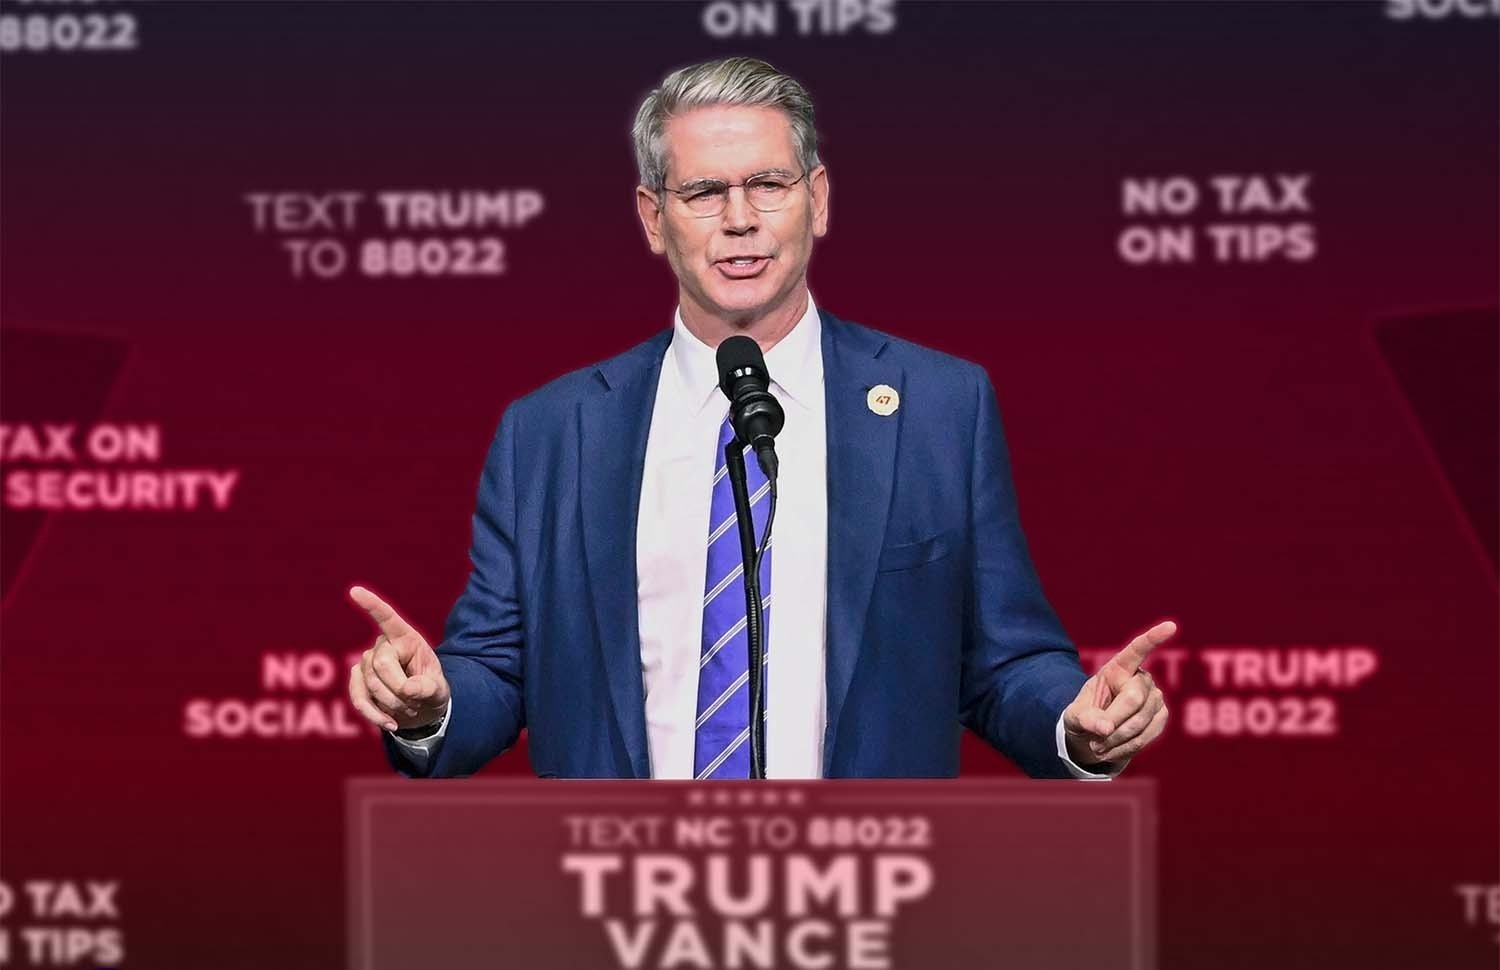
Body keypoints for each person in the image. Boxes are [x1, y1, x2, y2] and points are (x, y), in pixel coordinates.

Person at [345, 56, 1171, 780]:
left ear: (817, 200)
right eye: (704, 191)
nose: (739, 218)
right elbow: (497, 669)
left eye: (768, 185)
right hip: (620, 876)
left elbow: (1004, 661)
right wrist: (430, 707)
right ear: (653, 217)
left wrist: (1076, 724)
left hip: (862, 878)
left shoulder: (941, 408)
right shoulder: (551, 431)